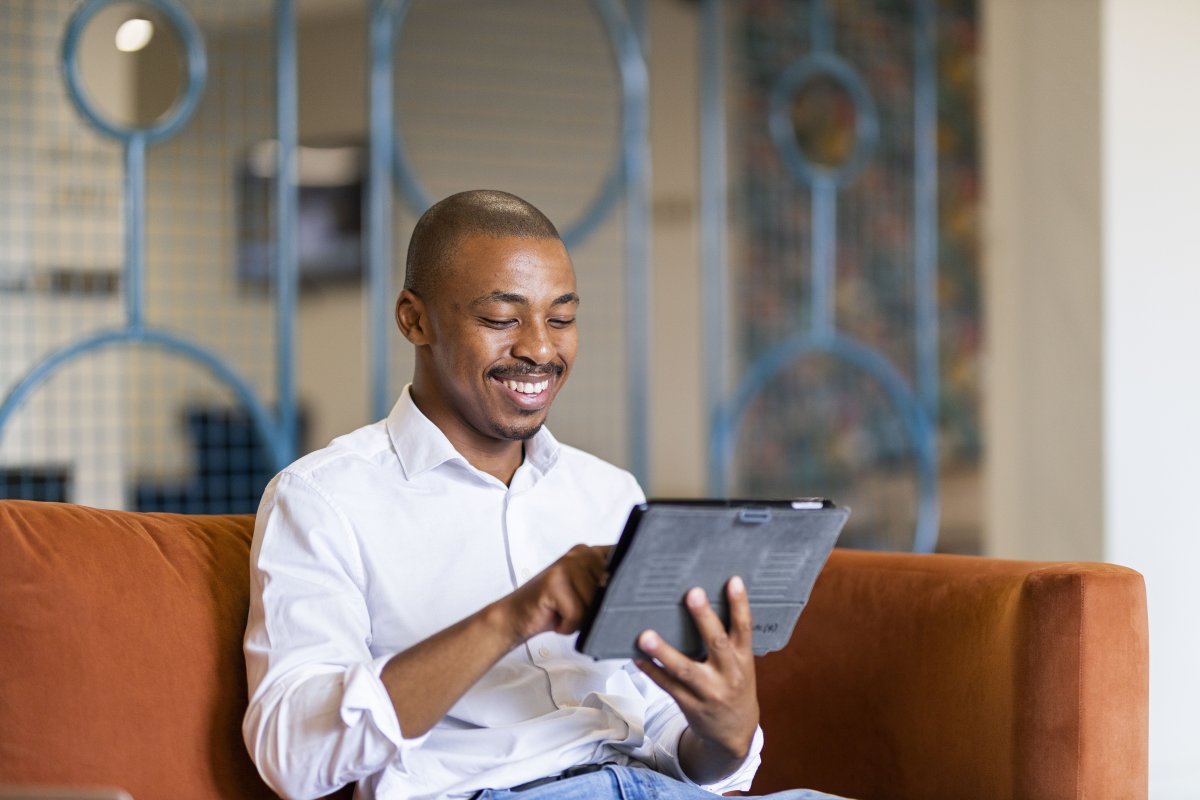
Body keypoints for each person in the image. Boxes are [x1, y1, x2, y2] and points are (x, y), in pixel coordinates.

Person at [243, 190, 845, 800]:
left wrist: (726, 734)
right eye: (501, 319)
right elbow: (293, 756)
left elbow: (665, 732)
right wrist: (512, 617)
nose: (539, 348)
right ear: (414, 320)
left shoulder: (608, 492)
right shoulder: (323, 498)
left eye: (560, 319)